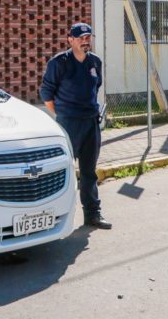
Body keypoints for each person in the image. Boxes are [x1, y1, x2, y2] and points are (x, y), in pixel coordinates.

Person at [39, 22, 112, 230]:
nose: (85, 40)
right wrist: (62, 114)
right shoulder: (59, 63)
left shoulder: (95, 62)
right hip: (68, 123)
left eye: (88, 37)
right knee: (64, 171)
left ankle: (92, 215)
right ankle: (55, 218)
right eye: (80, 37)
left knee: (89, 172)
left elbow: (95, 86)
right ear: (70, 39)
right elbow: (46, 93)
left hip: (91, 122)